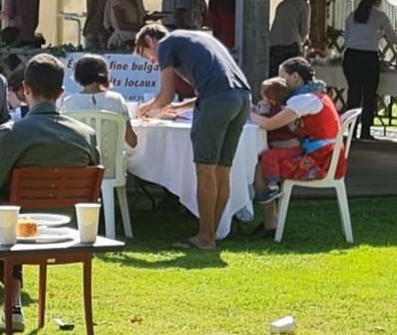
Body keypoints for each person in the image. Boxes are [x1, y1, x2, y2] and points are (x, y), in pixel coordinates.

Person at [0, 54, 99, 330]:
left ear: (25, 88)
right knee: (7, 211)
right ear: (61, 92)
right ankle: (11, 306)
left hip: (19, 227)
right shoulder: (86, 135)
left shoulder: (12, 132)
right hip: (68, 227)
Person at [135, 23, 252, 250]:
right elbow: (215, 86)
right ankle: (212, 234)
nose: (152, 62)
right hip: (241, 98)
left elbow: (166, 94)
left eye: (146, 56)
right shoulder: (195, 38)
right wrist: (181, 106)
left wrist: (146, 107)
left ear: (150, 40)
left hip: (218, 101)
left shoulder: (167, 44)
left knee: (205, 168)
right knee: (222, 169)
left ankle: (205, 237)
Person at [251, 59, 347, 231]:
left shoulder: (304, 100)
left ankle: (270, 224)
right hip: (327, 156)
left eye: (282, 77)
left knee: (262, 167)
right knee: (271, 155)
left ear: (295, 77)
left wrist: (248, 114)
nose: (280, 81)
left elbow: (269, 124)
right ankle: (270, 222)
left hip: (321, 161)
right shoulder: (317, 95)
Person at [342, 0, 397, 142]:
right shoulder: (380, 16)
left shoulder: (352, 16)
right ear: (377, 1)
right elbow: (394, 39)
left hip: (351, 56)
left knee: (353, 93)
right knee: (369, 94)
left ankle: (351, 130)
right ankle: (365, 130)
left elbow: (347, 39)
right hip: (368, 57)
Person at [60, 54, 137, 148]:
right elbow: (132, 142)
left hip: (81, 160)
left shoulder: (69, 103)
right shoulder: (116, 100)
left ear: (77, 75)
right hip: (111, 162)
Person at [269, 0, 314, 76]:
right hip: (290, 43)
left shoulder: (283, 4)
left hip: (273, 44)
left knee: (275, 75)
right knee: (289, 77)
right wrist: (302, 43)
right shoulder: (303, 5)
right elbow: (304, 30)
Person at [256, 77, 302, 154]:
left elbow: (262, 121)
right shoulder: (286, 108)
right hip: (295, 144)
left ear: (268, 97)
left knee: (267, 158)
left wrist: (257, 111)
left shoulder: (270, 109)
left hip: (283, 146)